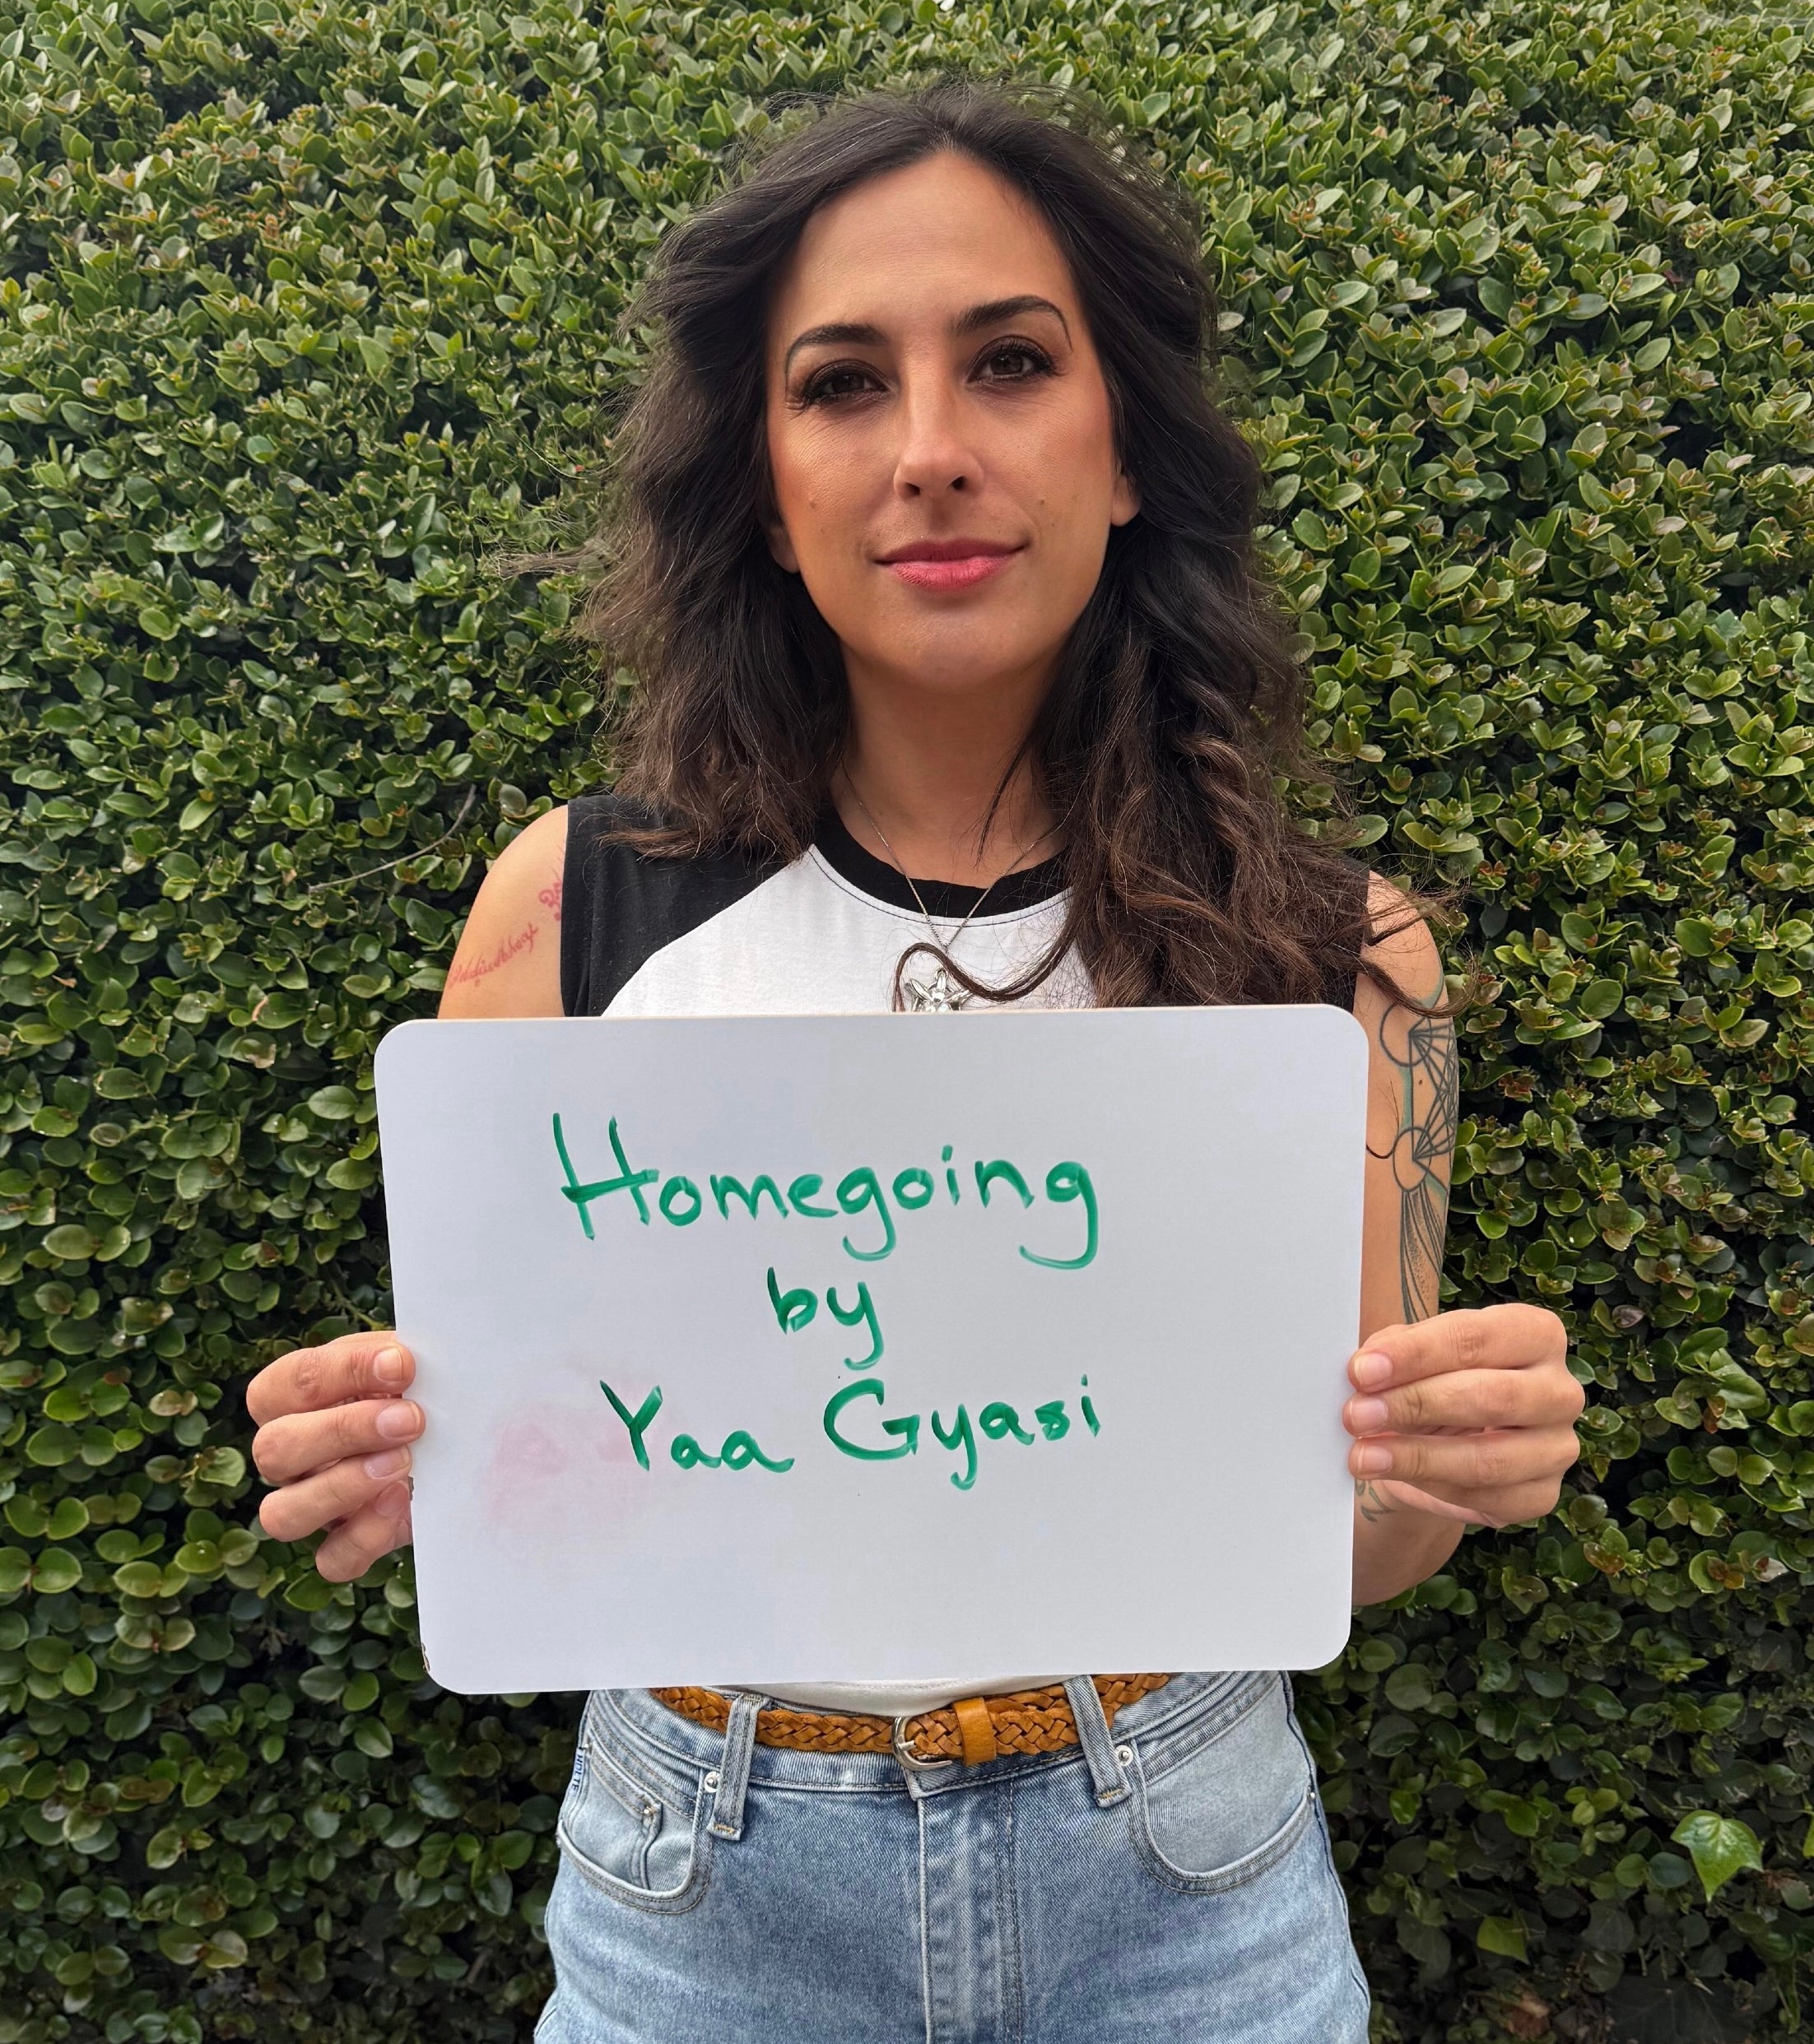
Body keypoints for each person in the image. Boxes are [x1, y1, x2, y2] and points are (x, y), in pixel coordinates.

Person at [245, 80, 1584, 2043]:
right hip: (698, 1883)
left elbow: (1346, 1547)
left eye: (1014, 363)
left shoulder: (1340, 959)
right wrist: (391, 1459)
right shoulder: (566, 908)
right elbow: (534, 1465)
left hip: (1185, 1879)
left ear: (1127, 451)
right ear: (765, 490)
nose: (933, 453)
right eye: (843, 385)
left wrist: (1452, 1466)